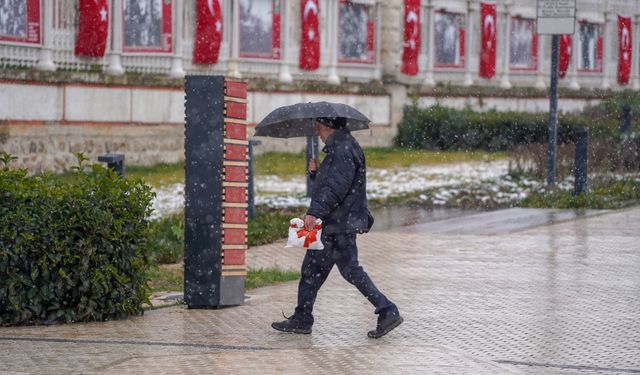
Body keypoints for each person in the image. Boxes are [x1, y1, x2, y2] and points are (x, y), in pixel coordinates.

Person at [271, 117, 402, 339]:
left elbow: (336, 187)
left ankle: (387, 310)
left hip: (337, 224)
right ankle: (303, 317)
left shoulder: (342, 150)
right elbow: (335, 182)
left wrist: (315, 212)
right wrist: (317, 172)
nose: (317, 132)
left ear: (327, 126)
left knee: (342, 271)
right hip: (339, 223)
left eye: (319, 128)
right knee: (316, 271)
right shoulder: (343, 147)